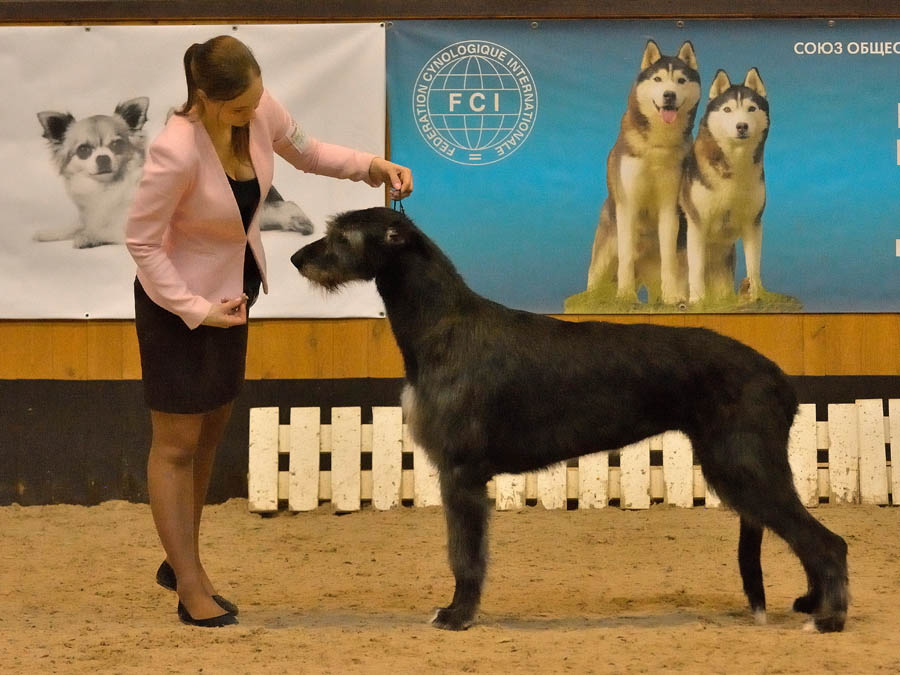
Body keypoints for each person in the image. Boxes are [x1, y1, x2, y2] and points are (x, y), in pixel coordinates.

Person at [125, 35, 413, 627]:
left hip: (235, 293)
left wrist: (371, 167)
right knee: (177, 447)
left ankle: (183, 563)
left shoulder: (258, 108)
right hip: (178, 306)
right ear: (202, 99)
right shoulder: (174, 153)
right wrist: (192, 308)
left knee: (209, 436)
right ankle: (190, 587)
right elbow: (142, 243)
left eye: (256, 103)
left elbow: (308, 151)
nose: (253, 116)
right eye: (237, 110)